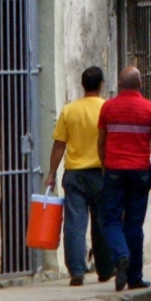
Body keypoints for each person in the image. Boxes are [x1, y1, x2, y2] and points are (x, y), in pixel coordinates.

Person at [98, 66, 151, 291]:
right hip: (140, 172)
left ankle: (121, 256)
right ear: (140, 84)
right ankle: (135, 277)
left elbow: (101, 141)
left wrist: (105, 166)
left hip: (114, 170)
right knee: (134, 225)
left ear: (119, 85)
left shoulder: (108, 108)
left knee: (110, 220)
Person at [45, 66, 114, 287]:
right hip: (102, 173)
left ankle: (76, 270)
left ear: (82, 85)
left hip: (74, 174)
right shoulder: (107, 109)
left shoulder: (69, 111)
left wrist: (51, 173)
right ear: (101, 84)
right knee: (102, 222)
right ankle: (104, 269)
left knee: (75, 224)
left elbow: (59, 145)